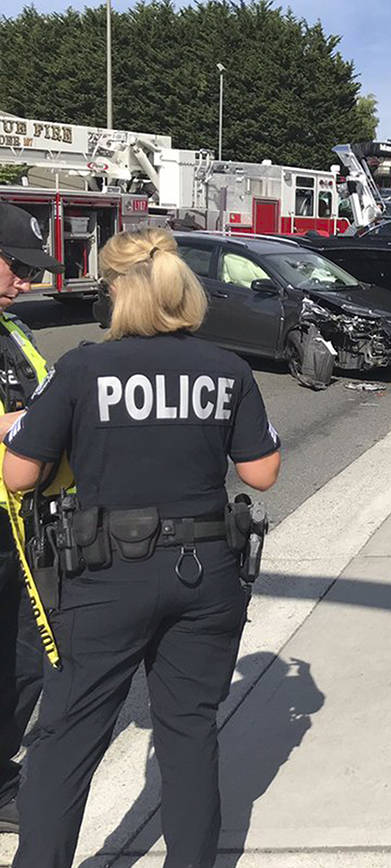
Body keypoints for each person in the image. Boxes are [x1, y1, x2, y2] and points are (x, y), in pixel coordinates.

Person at [4, 227, 281, 868]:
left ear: (120, 295)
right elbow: (261, 472)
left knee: (68, 737)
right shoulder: (227, 368)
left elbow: (19, 475)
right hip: (206, 569)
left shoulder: (81, 368)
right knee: (188, 732)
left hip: (105, 576)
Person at [0, 203, 65, 835]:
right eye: (17, 267)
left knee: (26, 656)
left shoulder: (12, 331)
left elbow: (44, 396)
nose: (27, 282)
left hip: (22, 526)